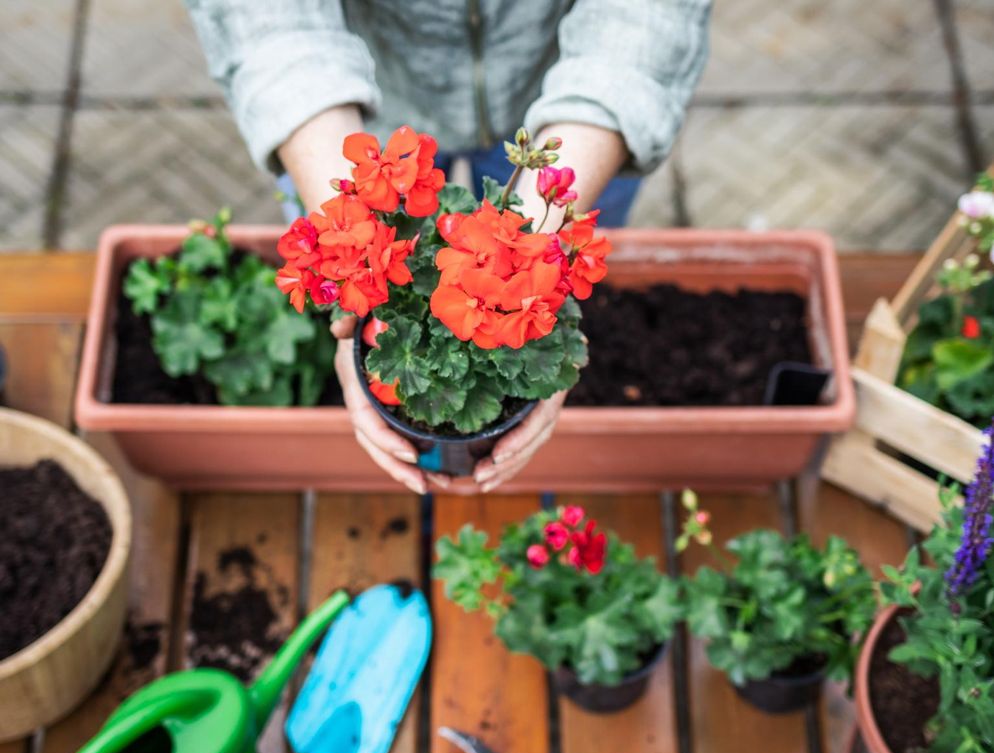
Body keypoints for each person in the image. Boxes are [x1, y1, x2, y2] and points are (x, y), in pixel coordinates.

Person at [185, 0, 712, 493]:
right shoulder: (376, 201)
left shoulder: (514, 247)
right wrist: (351, 246)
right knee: (389, 252)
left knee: (552, 255)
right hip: (355, 105)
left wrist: (537, 256)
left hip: (579, 107)